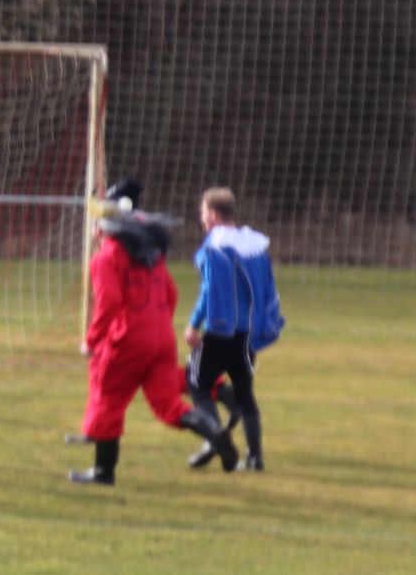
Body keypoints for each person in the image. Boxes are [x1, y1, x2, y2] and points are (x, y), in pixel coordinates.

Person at [72, 179, 234, 486]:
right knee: (167, 404)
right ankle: (214, 431)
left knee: (108, 399)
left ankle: (104, 471)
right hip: (161, 338)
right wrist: (155, 325)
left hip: (128, 339)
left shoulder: (106, 257)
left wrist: (92, 341)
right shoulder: (152, 257)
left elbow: (109, 301)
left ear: (103, 227)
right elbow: (171, 294)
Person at [185, 187, 284, 473]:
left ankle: (216, 439)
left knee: (196, 382)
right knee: (245, 394)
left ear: (214, 215)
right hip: (248, 335)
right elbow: (267, 288)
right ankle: (255, 457)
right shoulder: (255, 246)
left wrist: (194, 324)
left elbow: (209, 291)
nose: (201, 219)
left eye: (203, 213)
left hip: (221, 332)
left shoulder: (215, 247)